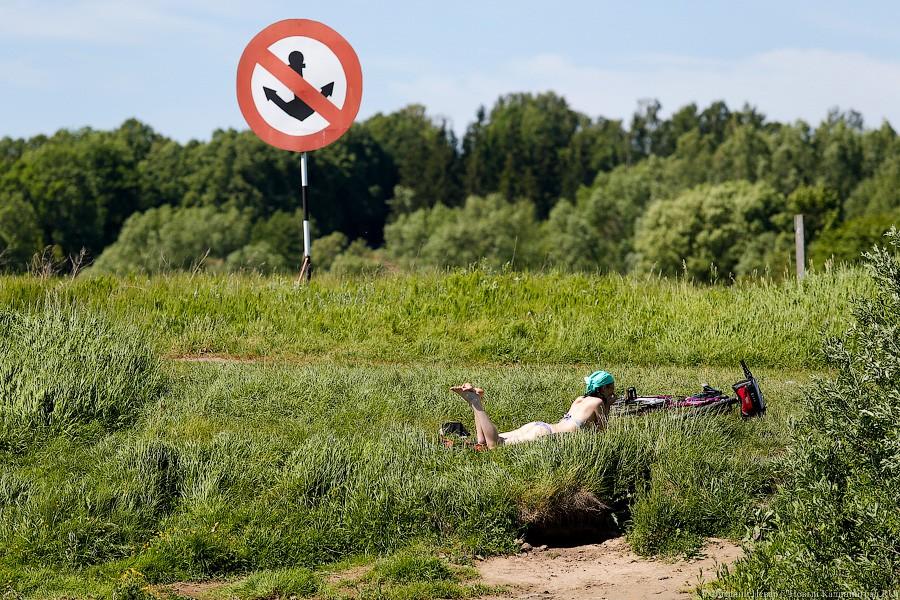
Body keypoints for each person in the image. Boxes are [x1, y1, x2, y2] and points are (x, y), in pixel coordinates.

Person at [450, 370, 616, 449]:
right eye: (611, 388)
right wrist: (608, 405)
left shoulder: (580, 399)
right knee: (495, 446)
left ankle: (477, 398)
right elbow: (602, 433)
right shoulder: (598, 404)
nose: (613, 391)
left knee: (484, 442)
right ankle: (475, 402)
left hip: (540, 426)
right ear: (604, 389)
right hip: (545, 434)